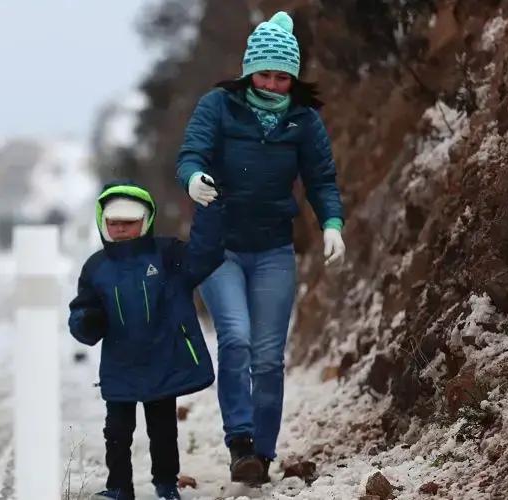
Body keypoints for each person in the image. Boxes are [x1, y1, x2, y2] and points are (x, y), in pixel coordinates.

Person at [174, 11, 346, 485]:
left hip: (273, 250)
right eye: (265, 73)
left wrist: (331, 223)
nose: (272, 84)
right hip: (219, 247)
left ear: (292, 78)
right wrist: (193, 181)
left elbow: (322, 180)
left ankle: (261, 456)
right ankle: (240, 441)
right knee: (236, 338)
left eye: (282, 76)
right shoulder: (218, 106)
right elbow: (190, 155)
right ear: (249, 71)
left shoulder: (304, 121)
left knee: (268, 356)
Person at [68, 180, 225, 500]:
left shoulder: (167, 254)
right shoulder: (96, 268)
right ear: (102, 223)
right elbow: (81, 313)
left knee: (163, 429)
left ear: (146, 220)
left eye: (129, 223)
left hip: (162, 360)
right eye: (114, 223)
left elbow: (204, 256)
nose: (121, 229)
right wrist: (87, 322)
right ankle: (119, 487)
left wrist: (209, 209)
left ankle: (166, 484)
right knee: (117, 432)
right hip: (120, 365)